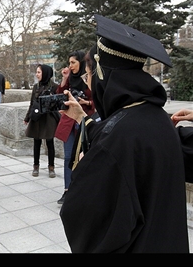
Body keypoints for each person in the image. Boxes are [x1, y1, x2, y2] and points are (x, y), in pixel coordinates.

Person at [59, 14, 189, 253]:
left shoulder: (117, 138)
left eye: (89, 75)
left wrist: (85, 169)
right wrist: (82, 118)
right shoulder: (158, 117)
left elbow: (85, 216)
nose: (89, 84)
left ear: (102, 74)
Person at [55, 51, 95, 204]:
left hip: (85, 121)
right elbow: (60, 96)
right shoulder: (70, 79)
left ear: (81, 63)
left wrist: (87, 103)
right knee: (68, 157)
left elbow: (98, 98)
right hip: (69, 121)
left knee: (84, 157)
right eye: (69, 63)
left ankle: (82, 189)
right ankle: (67, 190)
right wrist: (64, 79)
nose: (70, 66)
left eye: (73, 62)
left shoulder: (88, 78)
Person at [23, 64, 58, 178]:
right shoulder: (36, 87)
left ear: (45, 73)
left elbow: (57, 103)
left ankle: (51, 167)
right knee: (36, 142)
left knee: (49, 142)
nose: (37, 74)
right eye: (36, 72)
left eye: (39, 72)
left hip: (48, 118)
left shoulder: (54, 86)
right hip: (37, 117)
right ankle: (36, 166)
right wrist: (27, 117)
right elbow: (32, 103)